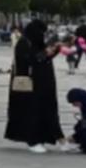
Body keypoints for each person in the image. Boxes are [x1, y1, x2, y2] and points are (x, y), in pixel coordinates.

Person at [5, 19, 66, 154]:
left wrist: (53, 52)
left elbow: (42, 59)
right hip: (30, 86)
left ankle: (48, 138)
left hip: (43, 84)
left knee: (47, 111)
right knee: (32, 113)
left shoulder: (35, 42)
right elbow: (29, 61)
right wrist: (46, 54)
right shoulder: (24, 43)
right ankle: (33, 140)